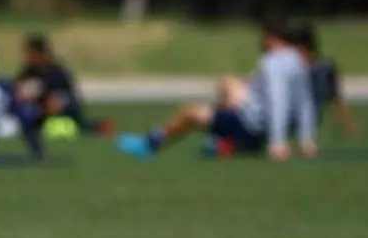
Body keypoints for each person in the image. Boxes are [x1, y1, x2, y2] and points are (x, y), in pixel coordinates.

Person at [116, 20, 317, 161]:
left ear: (271, 38)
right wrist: (306, 139)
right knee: (228, 88)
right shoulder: (297, 62)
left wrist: (277, 143)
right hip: (258, 124)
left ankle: (149, 145)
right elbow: (305, 102)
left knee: (191, 112)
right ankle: (226, 144)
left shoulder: (272, 62)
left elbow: (278, 100)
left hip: (250, 125)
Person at [15, 34, 114, 136]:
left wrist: (50, 105)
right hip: (37, 112)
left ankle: (96, 127)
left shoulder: (57, 72)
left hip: (61, 112)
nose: (27, 58)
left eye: (31, 54)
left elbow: (66, 98)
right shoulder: (27, 72)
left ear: (41, 54)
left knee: (63, 123)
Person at [289, 21, 358, 137]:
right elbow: (337, 100)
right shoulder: (326, 67)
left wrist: (350, 126)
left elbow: (337, 100)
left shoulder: (315, 69)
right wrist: (350, 126)